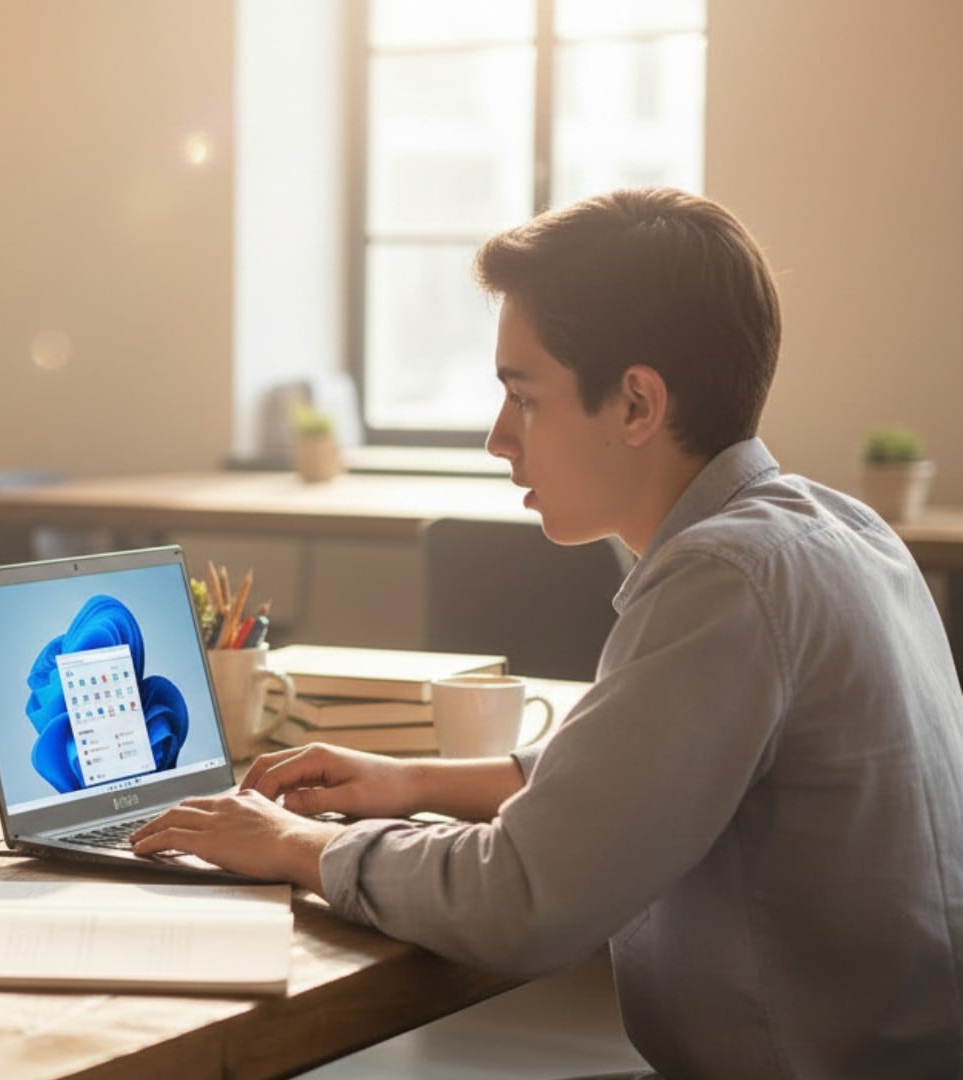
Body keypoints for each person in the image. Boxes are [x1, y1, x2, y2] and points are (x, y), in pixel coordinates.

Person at [133, 188, 963, 1076]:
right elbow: (629, 778)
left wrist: (294, 844)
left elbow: (522, 899)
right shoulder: (837, 526)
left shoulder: (725, 578)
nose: (499, 439)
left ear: (638, 404)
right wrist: (410, 778)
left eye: (523, 397)